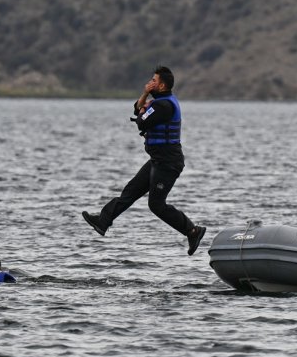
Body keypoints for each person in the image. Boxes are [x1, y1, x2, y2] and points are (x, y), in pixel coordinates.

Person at [81, 66, 206, 255]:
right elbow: (138, 109)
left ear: (162, 85)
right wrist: (144, 97)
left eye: (153, 81)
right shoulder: (158, 102)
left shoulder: (164, 106)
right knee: (130, 191)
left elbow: (141, 121)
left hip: (168, 163)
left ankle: (193, 231)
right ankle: (103, 221)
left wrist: (145, 104)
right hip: (157, 160)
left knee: (156, 205)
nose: (150, 83)